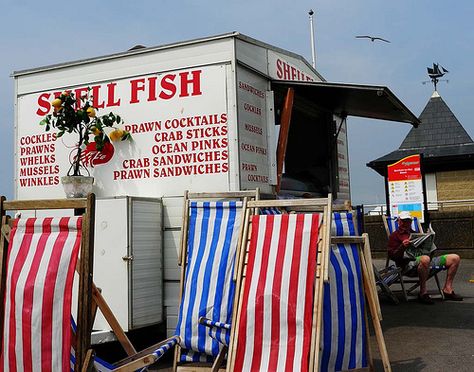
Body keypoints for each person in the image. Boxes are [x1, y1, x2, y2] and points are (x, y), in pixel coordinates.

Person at [387, 211, 463, 304]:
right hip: (407, 264)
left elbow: (428, 253)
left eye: (407, 221)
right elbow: (392, 256)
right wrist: (402, 247)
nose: (405, 223)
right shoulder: (394, 236)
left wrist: (431, 248)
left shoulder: (417, 234)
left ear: (410, 222)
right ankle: (423, 292)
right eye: (403, 221)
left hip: (425, 261)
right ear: (398, 221)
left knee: (455, 258)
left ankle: (448, 289)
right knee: (425, 259)